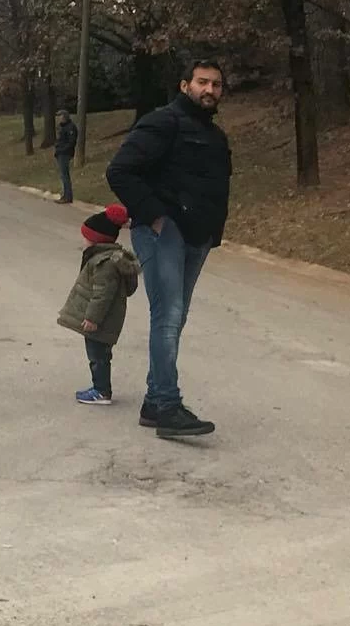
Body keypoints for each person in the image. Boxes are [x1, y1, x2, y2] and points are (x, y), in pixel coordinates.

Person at [105, 57, 229, 440]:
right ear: (184, 85)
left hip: (198, 236)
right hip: (164, 232)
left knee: (176, 318)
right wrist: (155, 217)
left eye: (217, 85)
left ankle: (154, 401)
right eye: (202, 82)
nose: (210, 90)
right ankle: (166, 404)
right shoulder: (163, 122)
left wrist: (211, 233)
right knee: (169, 316)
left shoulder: (215, 135)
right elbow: (119, 170)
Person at [55, 203, 139, 407]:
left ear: (95, 240)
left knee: (98, 356)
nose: (83, 241)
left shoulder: (104, 264)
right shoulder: (102, 258)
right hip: (103, 320)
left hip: (102, 321)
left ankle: (101, 391)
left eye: (85, 237)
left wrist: (93, 318)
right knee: (98, 354)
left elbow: (103, 295)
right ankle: (100, 388)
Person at [54, 108, 80, 204]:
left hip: (65, 153)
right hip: (60, 153)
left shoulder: (70, 127)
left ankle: (68, 196)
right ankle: (65, 195)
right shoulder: (62, 127)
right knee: (63, 175)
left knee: (65, 175)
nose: (58, 118)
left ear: (64, 117)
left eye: (60, 116)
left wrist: (62, 150)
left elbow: (71, 142)